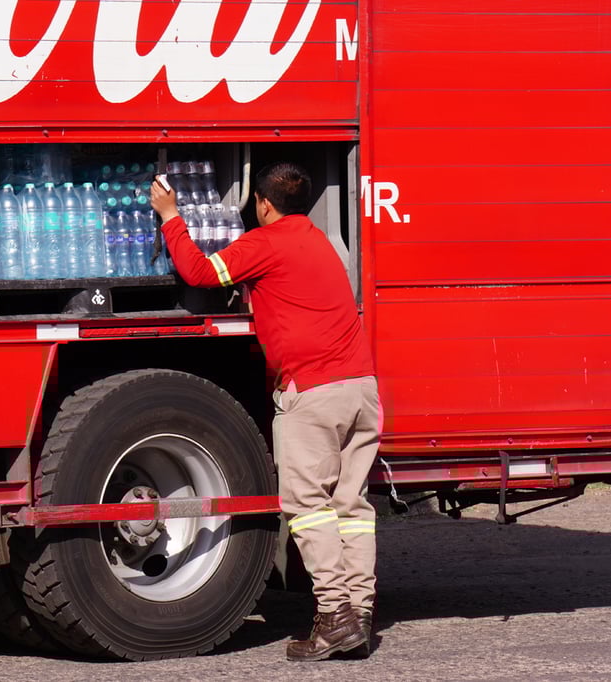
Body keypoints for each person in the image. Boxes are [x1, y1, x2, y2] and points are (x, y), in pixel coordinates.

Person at [150, 162, 382, 661]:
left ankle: (335, 616)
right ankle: (359, 614)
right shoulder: (318, 241)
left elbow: (200, 273)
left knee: (307, 506)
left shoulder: (265, 243)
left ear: (263, 203)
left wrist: (170, 215)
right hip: (361, 388)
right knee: (352, 507)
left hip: (312, 392)